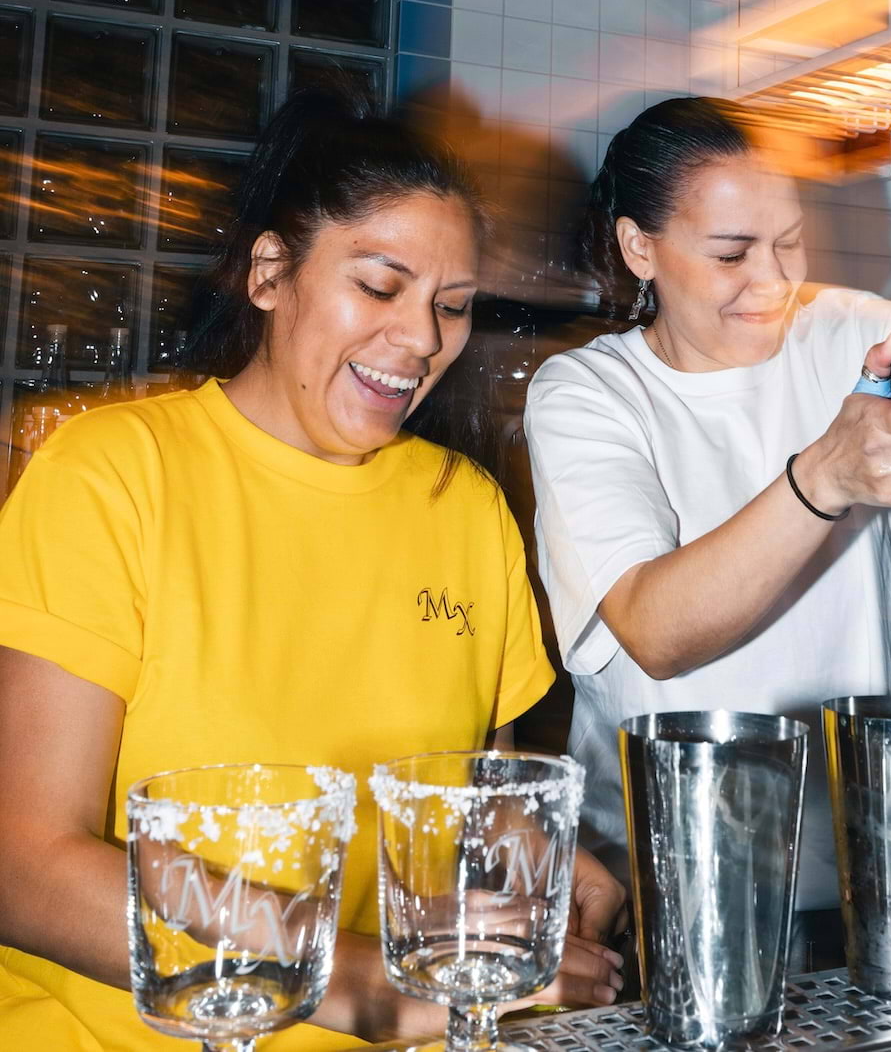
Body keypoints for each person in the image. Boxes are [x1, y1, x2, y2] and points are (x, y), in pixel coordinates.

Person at [0, 90, 625, 1051]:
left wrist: (541, 863)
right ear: (269, 272)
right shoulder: (113, 473)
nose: (422, 339)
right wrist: (351, 972)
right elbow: (23, 862)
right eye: (381, 287)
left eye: (450, 306)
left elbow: (466, 800)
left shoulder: (462, 505)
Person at [524, 97, 891, 912]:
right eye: (732, 254)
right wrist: (825, 475)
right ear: (638, 247)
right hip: (672, 874)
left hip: (872, 854)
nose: (776, 280)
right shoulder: (590, 392)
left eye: (788, 241)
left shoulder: (837, 332)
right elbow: (654, 630)